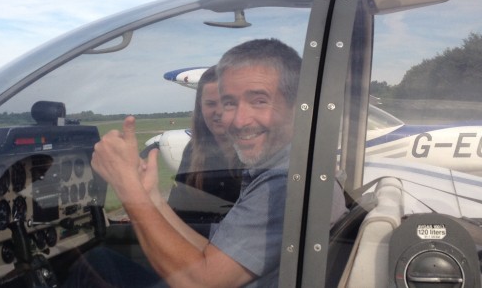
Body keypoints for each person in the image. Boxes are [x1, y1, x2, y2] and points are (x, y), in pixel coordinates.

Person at [66, 38, 347, 287]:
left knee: (90, 267)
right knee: (103, 260)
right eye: (228, 103)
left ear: (298, 105)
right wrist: (152, 198)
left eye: (259, 101)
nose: (237, 120)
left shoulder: (286, 183)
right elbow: (214, 253)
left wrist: (127, 188)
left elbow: (201, 281)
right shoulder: (283, 169)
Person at [170, 65, 242, 210]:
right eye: (210, 104)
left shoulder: (258, 153)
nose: (219, 111)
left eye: (227, 103)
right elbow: (177, 208)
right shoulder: (193, 149)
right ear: (200, 108)